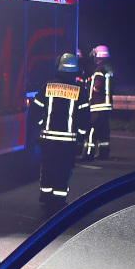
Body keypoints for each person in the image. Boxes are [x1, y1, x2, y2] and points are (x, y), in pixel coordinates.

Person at [30, 53, 89, 210]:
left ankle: (45, 197)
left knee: (47, 167)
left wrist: (41, 125)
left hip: (48, 140)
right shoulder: (80, 91)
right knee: (63, 171)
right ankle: (58, 202)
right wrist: (81, 135)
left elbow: (34, 110)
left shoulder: (47, 87)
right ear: (75, 71)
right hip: (67, 142)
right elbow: (84, 117)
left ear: (59, 68)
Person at [83, 45, 113, 160]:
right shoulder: (109, 68)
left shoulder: (99, 69)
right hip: (107, 105)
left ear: (98, 56)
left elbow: (98, 86)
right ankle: (104, 153)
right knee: (104, 130)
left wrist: (91, 85)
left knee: (92, 129)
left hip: (98, 105)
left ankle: (88, 154)